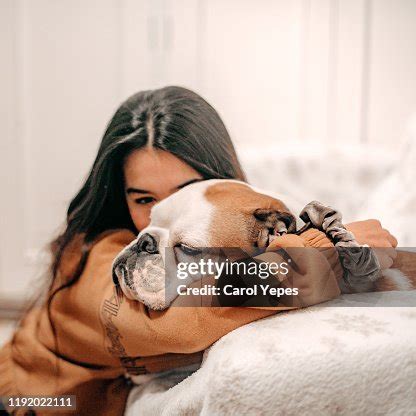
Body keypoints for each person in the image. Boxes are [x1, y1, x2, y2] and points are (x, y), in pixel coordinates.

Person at [0, 86, 397, 416]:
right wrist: (330, 247)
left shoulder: (237, 216)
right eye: (143, 200)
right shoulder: (96, 257)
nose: (167, 211)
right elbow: (187, 317)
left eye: (188, 193)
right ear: (118, 195)